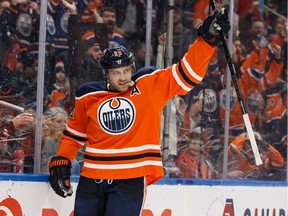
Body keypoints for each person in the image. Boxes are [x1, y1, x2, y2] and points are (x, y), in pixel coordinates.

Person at [48, 8, 230, 215]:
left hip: (130, 178)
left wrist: (206, 41)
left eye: (127, 71)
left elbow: (188, 74)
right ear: (106, 73)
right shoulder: (87, 95)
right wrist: (63, 159)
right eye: (116, 73)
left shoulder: (149, 84)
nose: (123, 77)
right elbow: (74, 135)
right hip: (92, 178)